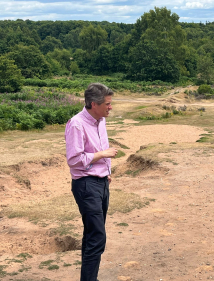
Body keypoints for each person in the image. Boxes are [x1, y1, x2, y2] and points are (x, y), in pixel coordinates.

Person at [65, 83, 118, 281]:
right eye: (107, 103)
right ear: (94, 104)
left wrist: (107, 171)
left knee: (91, 236)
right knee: (97, 237)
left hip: (101, 182)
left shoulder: (100, 120)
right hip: (86, 184)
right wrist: (102, 154)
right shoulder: (77, 124)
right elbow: (74, 159)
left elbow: (101, 145)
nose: (110, 107)